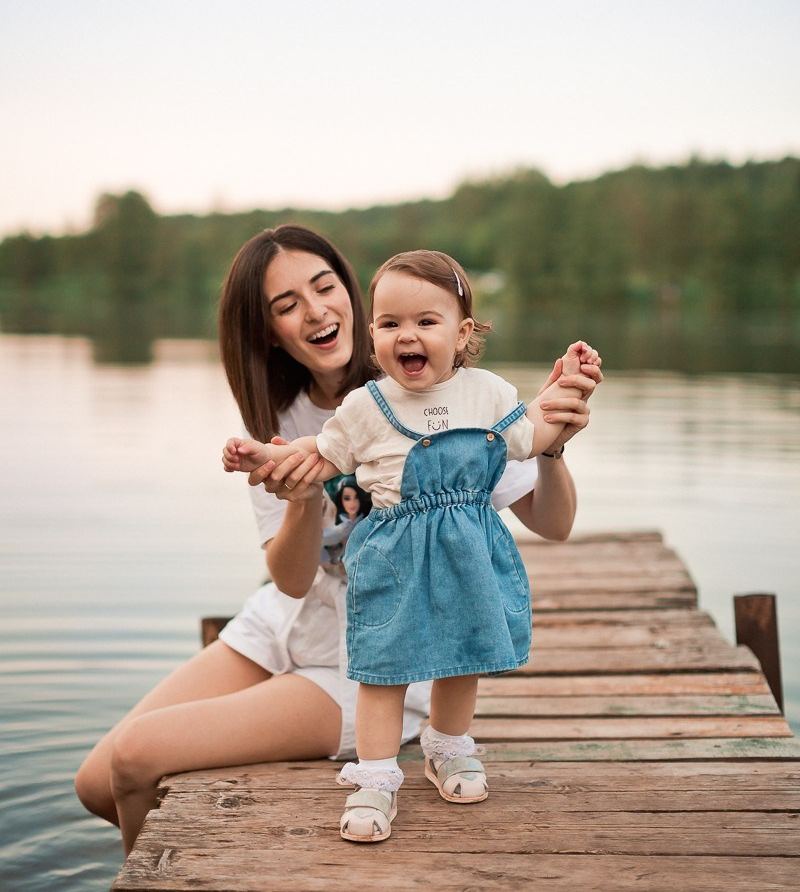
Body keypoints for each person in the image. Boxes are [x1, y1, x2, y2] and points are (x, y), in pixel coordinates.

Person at [73, 225, 601, 858]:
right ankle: (148, 888)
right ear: (270, 331)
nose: (315, 310)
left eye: (324, 287)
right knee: (95, 784)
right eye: (286, 304)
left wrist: (554, 445)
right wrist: (301, 500)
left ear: (351, 295)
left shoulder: (445, 398)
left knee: (137, 755)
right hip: (284, 618)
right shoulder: (283, 418)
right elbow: (292, 580)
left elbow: (554, 523)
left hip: (378, 646)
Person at [223, 249, 601, 843]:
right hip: (392, 557)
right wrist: (264, 456)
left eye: (427, 321)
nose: (408, 335)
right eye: (390, 323)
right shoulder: (365, 406)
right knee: (383, 664)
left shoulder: (489, 395)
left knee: (465, 652)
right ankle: (375, 776)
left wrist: (568, 389)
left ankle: (448, 746)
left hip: (468, 549)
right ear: (373, 335)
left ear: (463, 333)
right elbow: (318, 455)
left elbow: (533, 437)